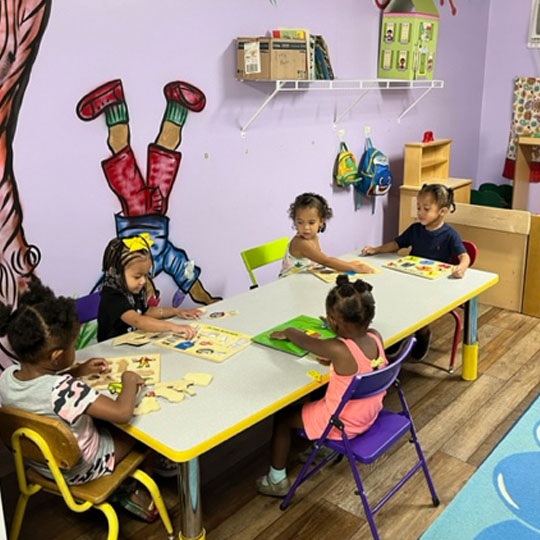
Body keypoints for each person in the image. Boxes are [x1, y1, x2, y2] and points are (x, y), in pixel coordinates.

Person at [0, 280, 146, 486]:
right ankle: (128, 490)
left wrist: (77, 371)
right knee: (143, 430)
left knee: (101, 419)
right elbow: (121, 413)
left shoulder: (7, 377)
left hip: (43, 462)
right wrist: (129, 380)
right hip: (81, 467)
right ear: (57, 356)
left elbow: (38, 390)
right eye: (73, 345)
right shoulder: (65, 390)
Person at [257, 275, 388, 497]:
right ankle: (320, 447)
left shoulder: (337, 349)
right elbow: (360, 362)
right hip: (368, 414)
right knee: (319, 393)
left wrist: (289, 331)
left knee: (282, 417)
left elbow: (307, 342)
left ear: (333, 321)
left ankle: (276, 480)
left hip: (342, 424)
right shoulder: (376, 337)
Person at [362, 183, 470, 360]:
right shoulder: (415, 229)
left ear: (442, 211)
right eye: (418, 207)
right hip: (411, 279)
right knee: (394, 300)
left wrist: (461, 267)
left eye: (426, 209)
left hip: (434, 286)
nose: (420, 212)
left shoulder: (450, 234)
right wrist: (377, 249)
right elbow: (397, 244)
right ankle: (396, 337)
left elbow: (464, 256)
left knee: (419, 308)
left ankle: (423, 333)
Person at [98, 235, 201, 342]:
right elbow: (138, 320)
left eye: (146, 275)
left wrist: (177, 311)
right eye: (137, 277)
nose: (143, 281)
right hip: (111, 351)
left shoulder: (134, 288)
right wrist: (173, 327)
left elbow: (146, 311)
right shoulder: (112, 295)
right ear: (116, 273)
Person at [279, 193, 375, 277]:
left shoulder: (313, 237)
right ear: (294, 221)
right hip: (290, 284)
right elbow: (326, 261)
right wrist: (355, 268)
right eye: (300, 222)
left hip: (307, 279)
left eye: (311, 222)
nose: (306, 227)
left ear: (321, 221)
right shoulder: (301, 243)